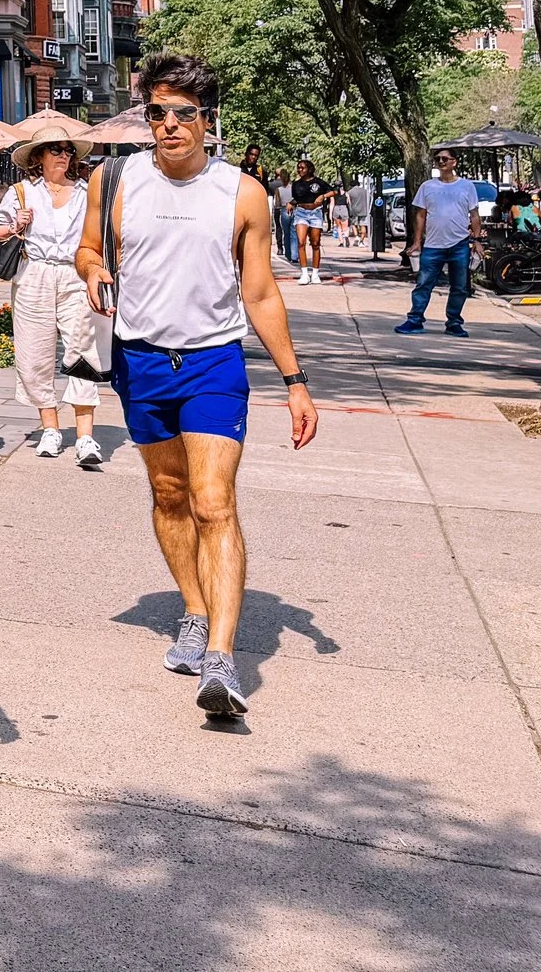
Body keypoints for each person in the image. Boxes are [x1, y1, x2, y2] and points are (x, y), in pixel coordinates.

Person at [78, 55, 319, 721]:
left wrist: (295, 380)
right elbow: (88, 247)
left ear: (209, 120)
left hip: (212, 362)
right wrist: (95, 270)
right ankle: (191, 605)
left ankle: (220, 657)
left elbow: (261, 291)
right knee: (169, 491)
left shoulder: (242, 192)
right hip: (140, 360)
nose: (170, 124)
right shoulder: (115, 177)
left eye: (185, 112)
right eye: (158, 111)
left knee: (214, 499)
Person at [0, 132, 103, 467]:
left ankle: (85, 436)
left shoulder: (85, 192)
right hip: (34, 273)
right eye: (56, 150)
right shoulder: (22, 193)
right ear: (39, 157)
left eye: (68, 150)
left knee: (83, 349)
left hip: (74, 273)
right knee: (34, 351)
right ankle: (50, 428)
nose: (63, 155)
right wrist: (14, 225)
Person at [396, 147, 483, 338]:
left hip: (459, 244)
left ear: (454, 162)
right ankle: (415, 320)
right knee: (424, 283)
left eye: (445, 158)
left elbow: (474, 215)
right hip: (433, 245)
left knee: (460, 286)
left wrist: (476, 240)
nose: (441, 161)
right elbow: (420, 215)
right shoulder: (428, 187)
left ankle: (454, 322)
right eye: (438, 159)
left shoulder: (466, 186)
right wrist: (417, 241)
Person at [287, 156, 334, 285]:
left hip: (315, 213)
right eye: (298, 168)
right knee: (301, 242)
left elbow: (333, 192)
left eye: (302, 168)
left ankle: (315, 274)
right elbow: (297, 198)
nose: (299, 170)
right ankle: (304, 274)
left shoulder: (319, 182)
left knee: (315, 243)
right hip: (301, 212)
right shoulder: (296, 184)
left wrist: (323, 196)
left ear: (309, 169)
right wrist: (291, 203)